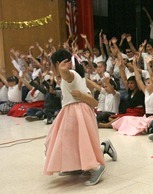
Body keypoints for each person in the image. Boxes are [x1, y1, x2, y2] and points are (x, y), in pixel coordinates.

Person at [43, 49, 117, 186]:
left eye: (52, 64)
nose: (51, 68)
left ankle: (95, 167)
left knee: (76, 141)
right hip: (74, 111)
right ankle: (76, 165)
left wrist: (63, 70)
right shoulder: (76, 76)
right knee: (72, 141)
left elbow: (67, 75)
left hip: (76, 112)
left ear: (59, 64)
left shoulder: (70, 74)